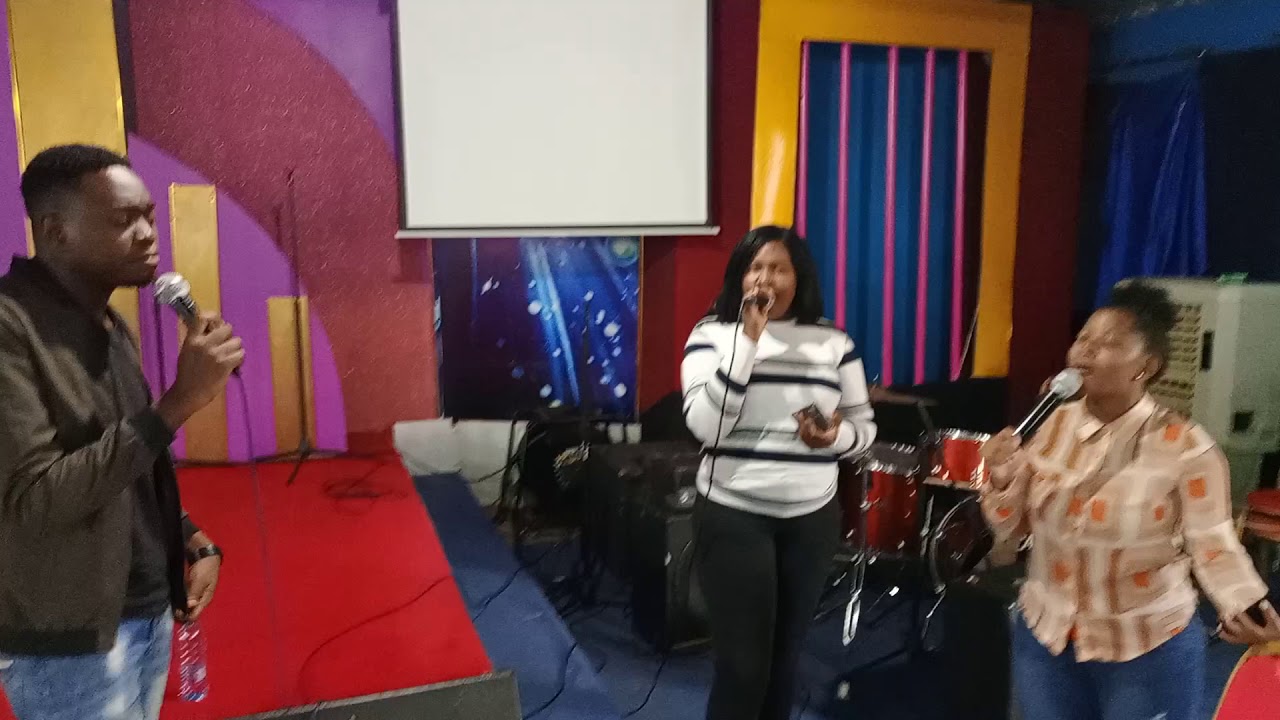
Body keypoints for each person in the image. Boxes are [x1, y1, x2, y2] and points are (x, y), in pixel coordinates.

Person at [0, 145, 243, 720]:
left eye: (149, 218)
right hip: (68, 638)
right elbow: (36, 498)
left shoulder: (109, 324)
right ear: (55, 231)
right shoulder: (11, 329)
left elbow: (127, 459)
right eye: (123, 220)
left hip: (145, 606)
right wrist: (179, 402)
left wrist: (189, 534)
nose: (147, 235)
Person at [979, 281, 1280, 720]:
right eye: (1083, 338)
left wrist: (1248, 605)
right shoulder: (1050, 426)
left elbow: (1213, 543)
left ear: (1145, 367)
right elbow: (1010, 526)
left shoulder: (1185, 446)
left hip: (1144, 646)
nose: (1085, 350)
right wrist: (1003, 477)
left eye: (1108, 343)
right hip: (1046, 637)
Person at [681, 225, 876, 720]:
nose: (765, 279)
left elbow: (864, 428)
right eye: (756, 268)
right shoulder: (711, 335)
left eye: (778, 269)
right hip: (733, 512)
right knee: (743, 668)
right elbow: (706, 427)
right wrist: (747, 341)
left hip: (811, 519)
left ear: (799, 278)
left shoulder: (834, 341)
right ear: (740, 277)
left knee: (784, 664)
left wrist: (836, 439)